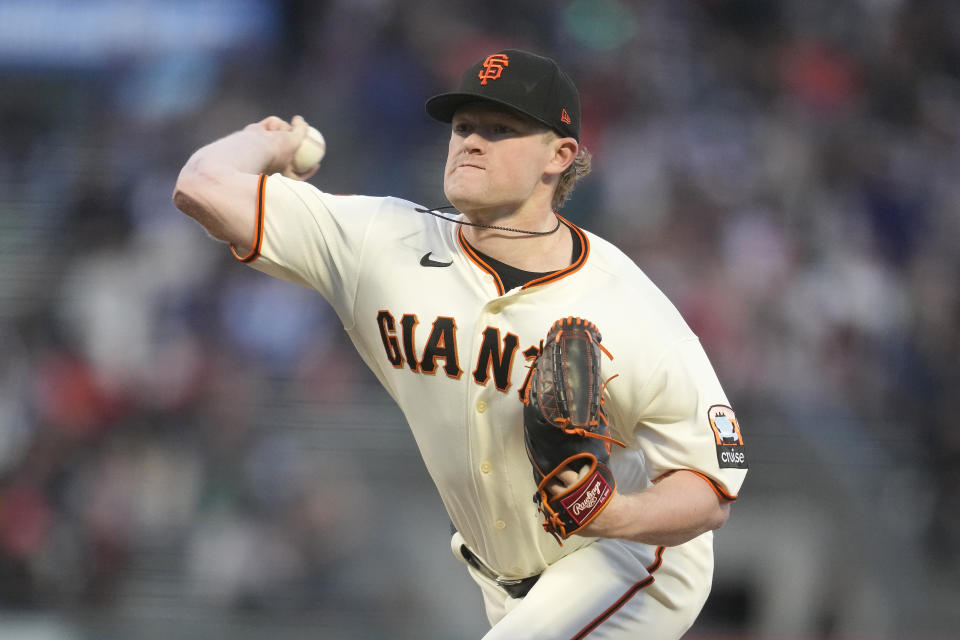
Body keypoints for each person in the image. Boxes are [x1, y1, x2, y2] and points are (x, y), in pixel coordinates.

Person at [173, 49, 748, 639]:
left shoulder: (629, 308)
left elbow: (710, 492)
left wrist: (615, 514)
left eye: (500, 129)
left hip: (631, 563)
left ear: (561, 155)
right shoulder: (383, 241)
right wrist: (264, 140)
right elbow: (203, 185)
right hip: (502, 581)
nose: (471, 141)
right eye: (463, 126)